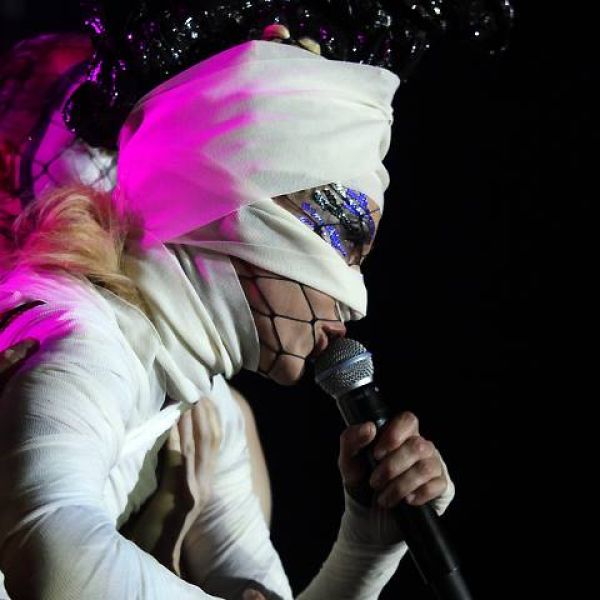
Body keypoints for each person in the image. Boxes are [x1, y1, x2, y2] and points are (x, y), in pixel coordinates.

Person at [0, 1, 515, 597]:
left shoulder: (206, 412)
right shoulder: (74, 335)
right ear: (234, 216)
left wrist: (365, 550)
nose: (352, 301)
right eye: (340, 237)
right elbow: (50, 544)